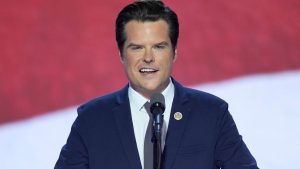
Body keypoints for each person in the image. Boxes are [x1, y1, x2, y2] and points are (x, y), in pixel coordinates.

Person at [54, 1, 259, 169]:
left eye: (159, 47)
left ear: (174, 52)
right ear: (121, 55)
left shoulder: (212, 113)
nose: (148, 58)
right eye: (136, 48)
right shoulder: (92, 119)